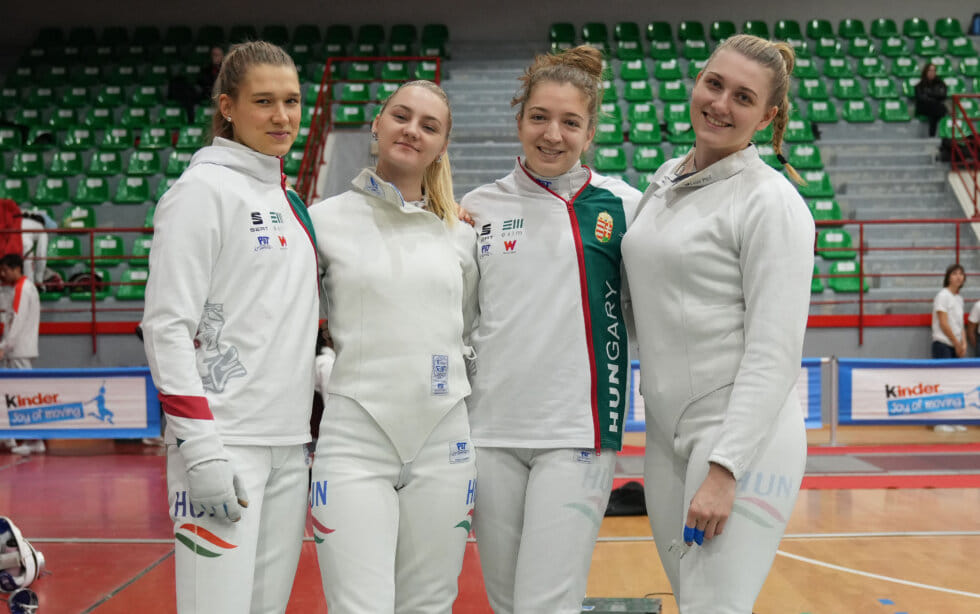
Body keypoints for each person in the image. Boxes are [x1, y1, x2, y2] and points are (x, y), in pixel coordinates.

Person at [621, 35, 814, 612]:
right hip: (664, 437)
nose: (720, 104)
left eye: (743, 97)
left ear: (768, 116)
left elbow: (775, 351)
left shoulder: (771, 202)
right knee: (692, 601)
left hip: (740, 443)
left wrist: (726, 468)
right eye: (714, 84)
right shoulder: (662, 180)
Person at [460, 45, 641, 613]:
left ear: (590, 133)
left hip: (577, 432)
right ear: (520, 120)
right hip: (490, 430)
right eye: (539, 117)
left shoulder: (625, 206)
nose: (552, 135)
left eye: (570, 122)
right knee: (505, 600)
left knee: (547, 602)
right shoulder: (475, 208)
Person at [140, 41, 319, 613]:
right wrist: (201, 450)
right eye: (263, 101)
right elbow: (165, 326)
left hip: (290, 444)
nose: (282, 116)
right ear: (228, 107)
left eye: (291, 100)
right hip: (225, 443)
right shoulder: (200, 192)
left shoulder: (289, 198)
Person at [307, 80, 479, 613]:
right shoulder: (322, 221)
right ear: (377, 124)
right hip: (353, 441)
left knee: (431, 604)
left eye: (429, 126)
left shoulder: (462, 235)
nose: (412, 131)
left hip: (444, 442)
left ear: (442, 145)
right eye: (401, 116)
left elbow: (469, 330)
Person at [0, 254, 43, 456]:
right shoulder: (27, 288)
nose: (3, 274)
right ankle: (9, 435)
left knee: (24, 396)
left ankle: (35, 439)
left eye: (5, 270)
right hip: (18, 350)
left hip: (18, 350)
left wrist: (4, 346)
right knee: (14, 395)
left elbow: (16, 322)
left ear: (16, 268)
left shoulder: (22, 289)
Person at [932, 264, 966, 359]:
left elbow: (960, 325)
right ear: (948, 277)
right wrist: (956, 343)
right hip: (943, 345)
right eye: (954, 274)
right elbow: (943, 323)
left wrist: (964, 344)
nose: (958, 277)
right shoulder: (943, 295)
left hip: (957, 346)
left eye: (961, 274)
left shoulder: (959, 299)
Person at [915, 62, 948, 137]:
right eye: (930, 70)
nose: (932, 73)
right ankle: (933, 135)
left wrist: (930, 94)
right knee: (936, 108)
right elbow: (921, 98)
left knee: (935, 110)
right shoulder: (920, 85)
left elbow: (943, 95)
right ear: (925, 72)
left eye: (933, 71)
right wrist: (934, 96)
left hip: (936, 107)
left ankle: (932, 135)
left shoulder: (940, 83)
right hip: (924, 107)